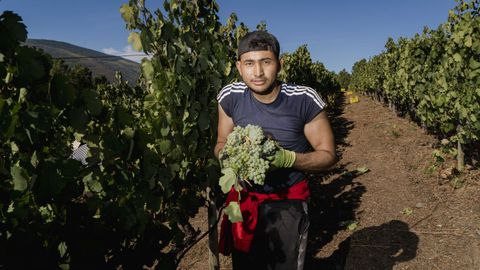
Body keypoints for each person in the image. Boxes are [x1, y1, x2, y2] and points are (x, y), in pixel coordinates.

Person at [214, 31, 337, 270]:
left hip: (288, 202)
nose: (258, 72)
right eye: (249, 63)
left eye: (266, 62)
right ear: (239, 67)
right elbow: (221, 142)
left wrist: (288, 158)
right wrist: (229, 156)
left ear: (280, 64)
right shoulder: (229, 97)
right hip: (244, 201)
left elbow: (329, 155)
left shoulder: (304, 99)